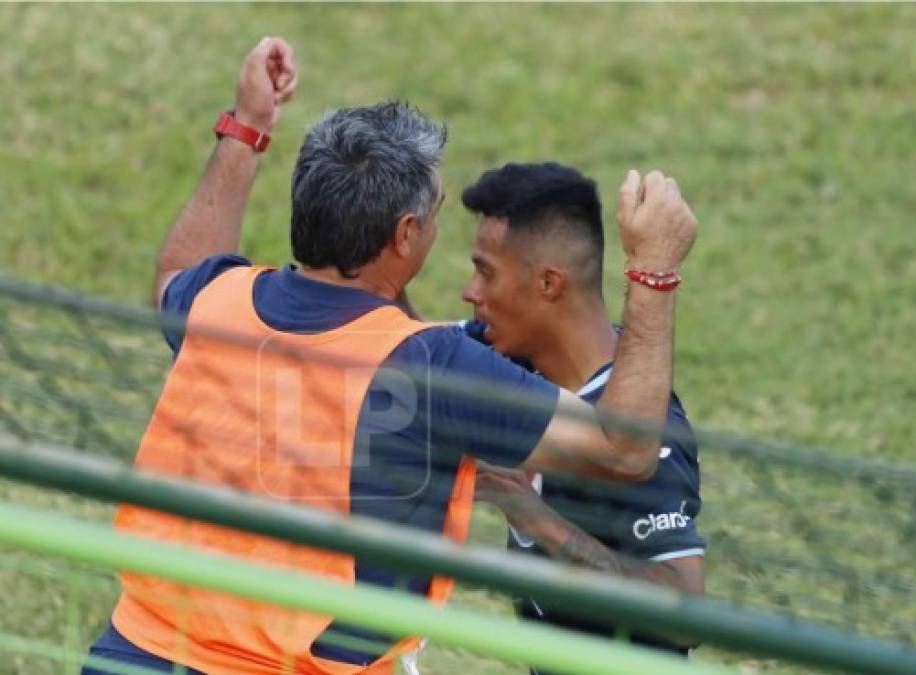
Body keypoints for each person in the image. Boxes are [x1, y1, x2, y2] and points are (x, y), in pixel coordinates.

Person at [83, 37, 698, 675]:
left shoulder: (217, 301)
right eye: (431, 214)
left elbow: (178, 268)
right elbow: (624, 449)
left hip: (133, 653)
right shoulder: (435, 367)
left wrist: (248, 128)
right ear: (406, 235)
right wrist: (653, 273)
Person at [459, 163, 704, 670]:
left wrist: (537, 519)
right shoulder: (518, 363)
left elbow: (684, 614)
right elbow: (405, 346)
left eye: (486, 271)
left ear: (549, 283)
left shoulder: (650, 432)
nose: (470, 291)